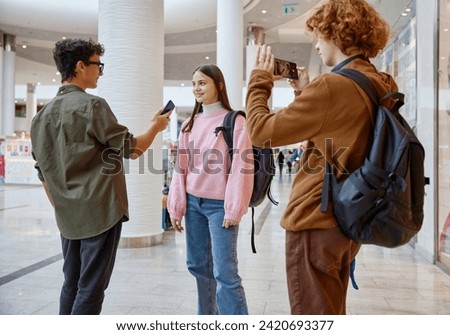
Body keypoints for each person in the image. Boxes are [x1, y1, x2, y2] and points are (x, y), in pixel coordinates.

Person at [245, 0, 396, 314]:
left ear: (337, 33)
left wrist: (259, 80)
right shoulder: (379, 83)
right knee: (331, 311)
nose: (315, 44)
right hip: (346, 220)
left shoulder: (333, 86)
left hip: (315, 220)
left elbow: (261, 132)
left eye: (318, 35)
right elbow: (336, 134)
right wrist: (305, 93)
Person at [30, 38, 170, 315]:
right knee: (91, 288)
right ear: (81, 66)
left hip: (68, 216)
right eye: (98, 65)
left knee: (71, 283)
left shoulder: (40, 116)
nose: (100, 72)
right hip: (100, 211)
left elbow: (42, 171)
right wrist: (156, 126)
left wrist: (62, 206)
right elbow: (133, 149)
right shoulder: (93, 106)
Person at [167, 64, 253, 315]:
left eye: (202, 83)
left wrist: (234, 208)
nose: (196, 88)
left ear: (219, 85)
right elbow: (180, 170)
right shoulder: (189, 125)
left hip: (220, 208)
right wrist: (176, 207)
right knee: (198, 267)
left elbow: (242, 166)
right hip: (193, 205)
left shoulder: (235, 120)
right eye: (194, 83)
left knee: (225, 273)